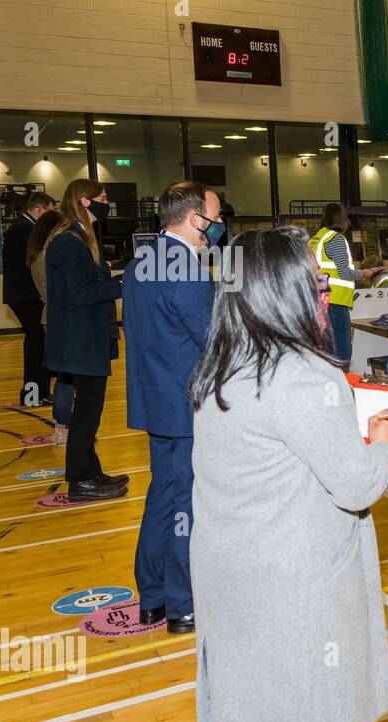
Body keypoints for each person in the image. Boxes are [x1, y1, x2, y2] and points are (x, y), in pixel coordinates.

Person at [188, 225, 388, 722]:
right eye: (315, 286)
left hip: (230, 575)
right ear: (280, 292)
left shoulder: (223, 362)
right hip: (286, 591)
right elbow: (356, 484)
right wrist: (387, 442)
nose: (325, 297)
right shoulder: (299, 373)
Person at [122, 181, 221, 634]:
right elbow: (212, 339)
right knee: (186, 503)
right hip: (185, 405)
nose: (217, 227)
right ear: (193, 217)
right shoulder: (187, 268)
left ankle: (153, 597)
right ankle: (183, 605)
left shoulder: (140, 261)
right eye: (214, 218)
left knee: (162, 495)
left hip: (155, 398)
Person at [44, 179, 126, 502]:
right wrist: (121, 286)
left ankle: (91, 471)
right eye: (102, 199)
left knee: (90, 414)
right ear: (85, 202)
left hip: (88, 340)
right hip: (79, 342)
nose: (107, 204)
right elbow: (78, 293)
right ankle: (80, 480)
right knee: (86, 415)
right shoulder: (68, 242)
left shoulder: (82, 239)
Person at [24, 209, 76, 445]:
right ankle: (64, 426)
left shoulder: (37, 253)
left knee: (65, 376)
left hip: (50, 317)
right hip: (62, 318)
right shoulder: (52, 252)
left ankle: (62, 426)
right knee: (69, 378)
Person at [3, 192, 58, 406]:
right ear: (40, 210)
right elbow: (34, 266)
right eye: (51, 212)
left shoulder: (22, 227)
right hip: (27, 295)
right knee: (37, 343)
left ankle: (36, 393)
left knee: (37, 342)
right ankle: (35, 394)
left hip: (23, 294)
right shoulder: (26, 229)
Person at [309, 203, 379, 365]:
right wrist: (365, 273)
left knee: (325, 350)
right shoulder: (335, 239)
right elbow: (345, 273)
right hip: (335, 302)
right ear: (342, 219)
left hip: (319, 302)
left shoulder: (316, 239)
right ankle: (342, 387)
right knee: (342, 351)